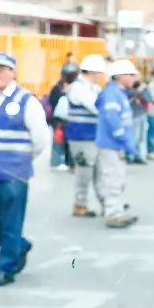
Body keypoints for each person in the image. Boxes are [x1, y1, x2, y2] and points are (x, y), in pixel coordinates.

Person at [0, 52, 50, 287]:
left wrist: (21, 160)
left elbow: (41, 138)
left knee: (10, 222)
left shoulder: (26, 100)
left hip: (13, 174)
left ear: (13, 72)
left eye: (2, 69)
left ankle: (6, 269)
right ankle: (19, 246)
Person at [55, 53, 104, 216]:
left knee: (99, 171)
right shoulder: (78, 88)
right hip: (81, 137)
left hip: (93, 135)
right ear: (93, 72)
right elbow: (95, 107)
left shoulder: (93, 87)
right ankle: (80, 204)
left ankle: (107, 202)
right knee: (84, 172)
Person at [95, 59, 139, 228]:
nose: (134, 79)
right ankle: (113, 212)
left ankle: (116, 208)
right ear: (121, 76)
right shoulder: (112, 93)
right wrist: (123, 138)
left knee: (115, 176)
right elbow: (112, 118)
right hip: (112, 143)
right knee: (113, 177)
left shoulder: (116, 92)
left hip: (114, 143)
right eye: (131, 75)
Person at [45, 60, 78, 171]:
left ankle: (66, 162)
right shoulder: (60, 88)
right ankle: (59, 162)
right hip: (62, 119)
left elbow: (52, 101)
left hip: (63, 119)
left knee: (63, 141)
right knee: (59, 140)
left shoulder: (59, 87)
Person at [126, 68, 152, 164]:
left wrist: (143, 89)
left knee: (141, 137)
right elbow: (129, 95)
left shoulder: (142, 88)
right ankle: (130, 155)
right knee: (132, 136)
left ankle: (138, 155)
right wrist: (139, 91)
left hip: (141, 114)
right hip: (132, 115)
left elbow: (149, 98)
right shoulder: (127, 88)